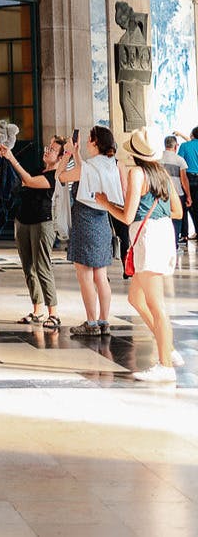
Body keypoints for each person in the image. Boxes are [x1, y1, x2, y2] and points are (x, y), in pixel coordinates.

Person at [95, 128, 183, 382]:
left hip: (149, 238)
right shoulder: (161, 173)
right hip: (163, 233)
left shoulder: (136, 173)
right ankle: (169, 348)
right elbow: (176, 211)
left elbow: (127, 216)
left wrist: (105, 203)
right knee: (136, 297)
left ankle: (166, 364)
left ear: (133, 154)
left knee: (157, 305)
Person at [58, 125, 124, 336]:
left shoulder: (88, 167)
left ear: (96, 142)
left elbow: (61, 177)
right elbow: (85, 174)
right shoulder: (112, 164)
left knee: (85, 274)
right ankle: (104, 320)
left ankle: (91, 322)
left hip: (85, 220)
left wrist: (67, 153)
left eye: (89, 139)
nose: (86, 142)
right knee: (101, 276)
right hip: (103, 219)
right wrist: (77, 154)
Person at [0, 136, 65, 329]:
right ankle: (37, 309)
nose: (47, 151)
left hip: (42, 222)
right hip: (23, 220)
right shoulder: (39, 169)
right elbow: (24, 182)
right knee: (28, 267)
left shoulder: (55, 177)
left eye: (52, 150)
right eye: (48, 147)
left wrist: (12, 158)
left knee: (42, 266)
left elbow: (27, 180)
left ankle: (53, 312)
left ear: (60, 157)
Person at [160, 135, 191, 244]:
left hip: (162, 194)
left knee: (164, 218)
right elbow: (184, 180)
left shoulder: (158, 159)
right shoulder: (179, 160)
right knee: (177, 219)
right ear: (175, 146)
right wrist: (188, 196)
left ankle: (165, 242)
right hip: (178, 194)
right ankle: (174, 243)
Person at [175, 127, 198, 240]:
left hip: (189, 178)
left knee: (187, 205)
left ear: (192, 135)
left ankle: (184, 235)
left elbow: (179, 162)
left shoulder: (185, 146)